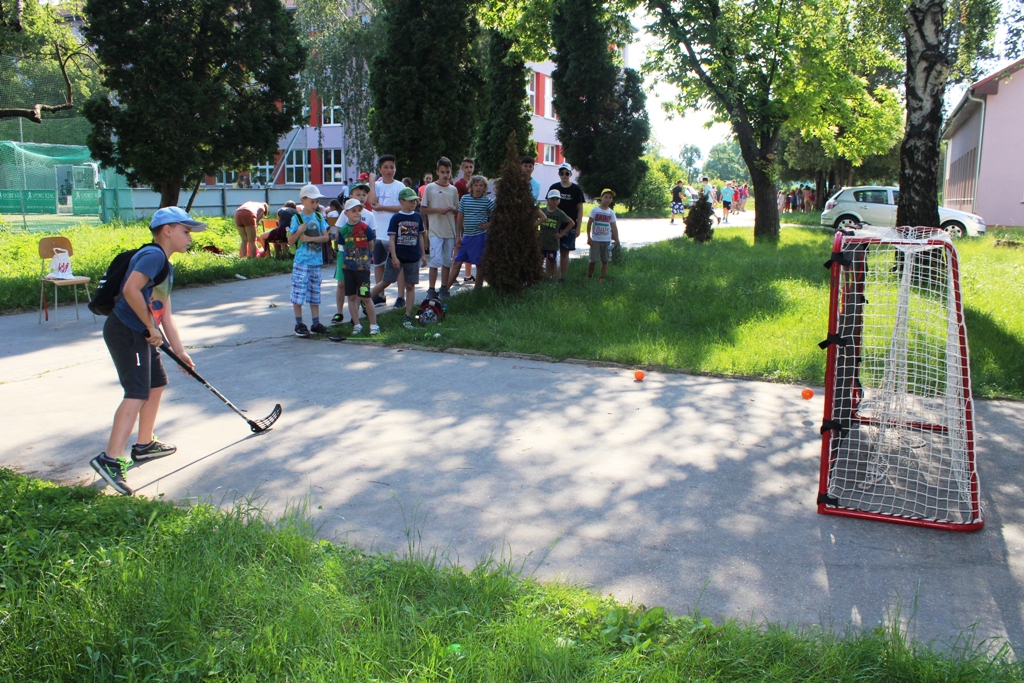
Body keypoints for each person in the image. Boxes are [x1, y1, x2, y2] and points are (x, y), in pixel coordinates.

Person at [90, 206, 206, 496]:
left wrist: (180, 352)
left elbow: (164, 313)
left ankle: (144, 445)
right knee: (137, 392)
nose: (190, 237)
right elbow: (131, 290)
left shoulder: (166, 264)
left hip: (141, 332)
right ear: (167, 230)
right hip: (127, 331)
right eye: (186, 230)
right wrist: (150, 329)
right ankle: (110, 458)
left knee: (156, 384)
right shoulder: (153, 255)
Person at [368, 187, 426, 328]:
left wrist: (423, 255)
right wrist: (394, 257)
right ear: (402, 201)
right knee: (386, 282)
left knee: (410, 285)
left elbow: (421, 236)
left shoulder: (417, 217)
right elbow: (392, 239)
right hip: (398, 256)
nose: (414, 203)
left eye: (415, 201)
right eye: (410, 201)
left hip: (413, 257)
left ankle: (408, 315)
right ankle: (364, 300)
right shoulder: (396, 218)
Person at [288, 184, 331, 338]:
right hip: (302, 261)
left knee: (315, 293)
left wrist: (309, 238)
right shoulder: (297, 218)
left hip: (315, 261)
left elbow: (326, 237)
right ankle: (299, 323)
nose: (314, 205)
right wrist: (299, 231)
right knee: (299, 292)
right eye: (311, 201)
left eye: (316, 201)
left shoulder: (319, 217)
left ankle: (315, 322)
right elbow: (290, 241)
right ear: (303, 200)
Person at [335, 198, 379, 335]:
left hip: (362, 269)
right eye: (353, 211)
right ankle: (357, 324)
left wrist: (366, 258)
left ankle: (373, 325)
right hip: (348, 268)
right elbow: (343, 247)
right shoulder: (343, 230)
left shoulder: (365, 228)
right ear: (346, 213)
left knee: (366, 296)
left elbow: (371, 244)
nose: (357, 213)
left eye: (359, 210)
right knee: (351, 296)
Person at [446, 175, 493, 292]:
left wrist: (488, 224)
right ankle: (444, 290)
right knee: (457, 262)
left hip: (480, 236)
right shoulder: (465, 199)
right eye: (476, 185)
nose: (478, 188)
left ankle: (477, 290)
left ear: (484, 187)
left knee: (479, 265)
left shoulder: (488, 201)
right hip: (467, 236)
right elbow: (460, 217)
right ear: (471, 186)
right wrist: (458, 235)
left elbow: (497, 217)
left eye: (481, 185)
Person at [421, 157, 459, 300]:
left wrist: (453, 208)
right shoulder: (430, 188)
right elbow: (423, 209)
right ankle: (431, 289)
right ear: (437, 172)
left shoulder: (453, 190)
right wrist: (437, 210)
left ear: (451, 172)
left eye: (447, 172)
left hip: (449, 230)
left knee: (446, 261)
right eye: (442, 172)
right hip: (436, 230)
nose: (445, 175)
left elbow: (457, 209)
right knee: (435, 261)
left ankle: (444, 288)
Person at [371, 155, 406, 307]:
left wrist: (383, 207)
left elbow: (404, 206)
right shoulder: (376, 186)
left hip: (394, 233)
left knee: (397, 265)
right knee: (378, 264)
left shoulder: (400, 187)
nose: (389, 170)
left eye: (392, 167)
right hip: (378, 232)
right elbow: (372, 202)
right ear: (380, 169)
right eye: (385, 167)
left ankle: (400, 297)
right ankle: (380, 295)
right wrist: (372, 182)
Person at [548, 163, 585, 283]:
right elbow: (548, 206)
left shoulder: (576, 189)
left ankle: (562, 277)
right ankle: (550, 277)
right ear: (559, 174)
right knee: (550, 252)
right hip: (553, 225)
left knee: (565, 252)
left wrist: (578, 227)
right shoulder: (554, 187)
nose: (564, 175)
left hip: (569, 226)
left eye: (567, 173)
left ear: (570, 174)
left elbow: (580, 209)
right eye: (562, 173)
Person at [585, 189, 621, 283]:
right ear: (601, 198)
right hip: (595, 240)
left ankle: (602, 277)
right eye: (606, 197)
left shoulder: (611, 212)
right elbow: (589, 224)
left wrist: (616, 239)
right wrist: (588, 237)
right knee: (593, 259)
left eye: (610, 198)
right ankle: (589, 275)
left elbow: (614, 226)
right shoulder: (595, 210)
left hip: (607, 240)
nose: (608, 199)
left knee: (605, 260)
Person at [540, 189, 575, 281]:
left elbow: (571, 223)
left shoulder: (559, 213)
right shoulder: (543, 211)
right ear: (547, 199)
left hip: (553, 243)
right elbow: (533, 219)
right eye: (552, 199)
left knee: (553, 261)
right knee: (539, 261)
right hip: (541, 241)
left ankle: (555, 281)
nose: (555, 201)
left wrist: (561, 234)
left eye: (557, 199)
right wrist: (536, 230)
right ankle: (543, 278)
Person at [453, 157, 476, 283]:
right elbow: (457, 203)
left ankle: (468, 275)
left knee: (469, 245)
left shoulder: (475, 182)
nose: (469, 169)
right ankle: (453, 275)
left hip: (473, 220)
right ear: (462, 168)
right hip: (461, 219)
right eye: (466, 167)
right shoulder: (459, 184)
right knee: (458, 245)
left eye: (471, 167)